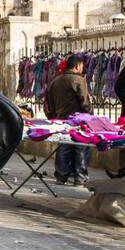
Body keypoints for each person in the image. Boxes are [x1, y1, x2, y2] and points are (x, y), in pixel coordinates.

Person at [45, 54, 93, 186]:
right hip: (78, 120)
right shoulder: (78, 80)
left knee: (63, 147)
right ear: (78, 66)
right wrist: (90, 116)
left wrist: (55, 117)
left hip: (61, 120)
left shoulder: (55, 81)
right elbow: (85, 102)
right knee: (81, 147)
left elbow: (49, 103)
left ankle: (61, 177)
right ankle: (80, 177)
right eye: (82, 66)